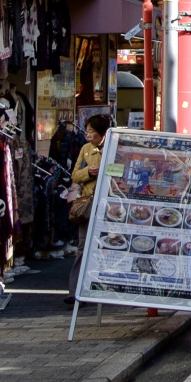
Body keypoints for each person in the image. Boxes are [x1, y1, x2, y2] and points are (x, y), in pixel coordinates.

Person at [66, 115, 109, 303]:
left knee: (105, 246)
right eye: (87, 130)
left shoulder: (112, 146)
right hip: (87, 203)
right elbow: (75, 175)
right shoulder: (85, 149)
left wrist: (104, 170)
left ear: (101, 133)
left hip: (108, 204)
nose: (87, 134)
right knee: (83, 246)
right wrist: (88, 172)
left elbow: (120, 172)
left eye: (91, 131)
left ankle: (103, 287)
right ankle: (75, 292)